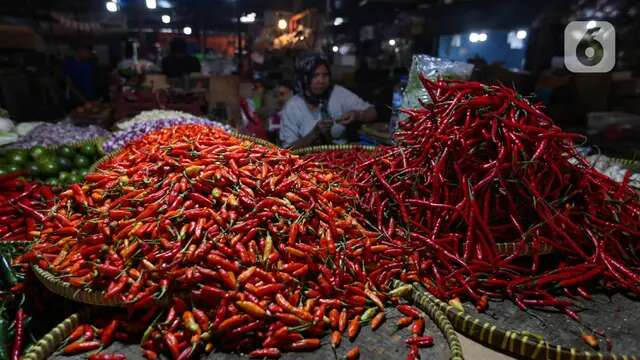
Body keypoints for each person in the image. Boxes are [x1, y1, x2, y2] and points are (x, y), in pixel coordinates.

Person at [279, 54, 377, 148]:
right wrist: (313, 135)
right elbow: (288, 149)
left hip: (342, 157)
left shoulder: (338, 93)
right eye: (315, 76)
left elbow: (372, 112)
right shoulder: (293, 107)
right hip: (307, 161)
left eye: (325, 75)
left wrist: (357, 115)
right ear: (304, 78)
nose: (321, 80)